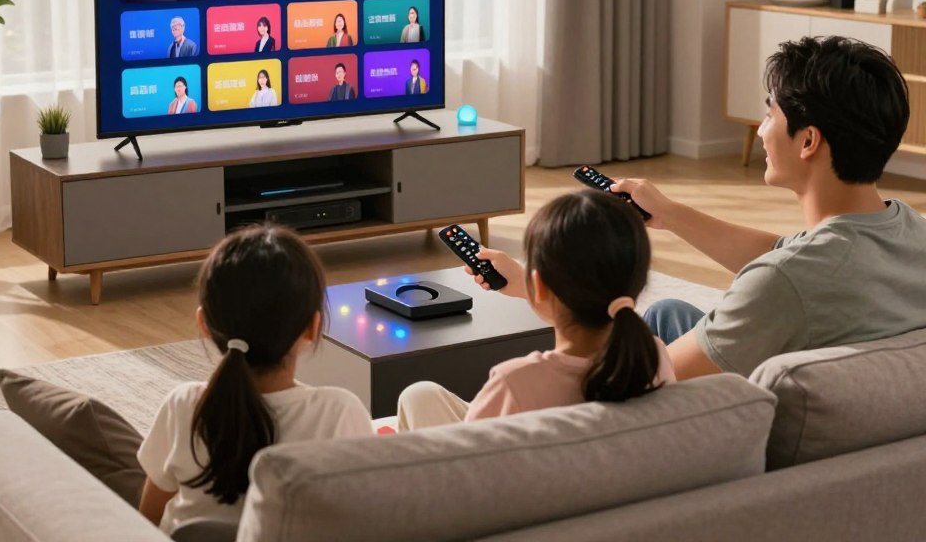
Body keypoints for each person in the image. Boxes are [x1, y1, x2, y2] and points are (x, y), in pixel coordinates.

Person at [605, 35, 926, 381]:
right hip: (860, 395)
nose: (760, 130)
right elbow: (783, 254)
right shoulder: (911, 230)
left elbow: (648, 381)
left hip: (759, 405)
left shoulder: (781, 284)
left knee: (637, 344)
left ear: (808, 141)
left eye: (770, 113)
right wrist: (668, 213)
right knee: (669, 312)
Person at [137, 225, 374, 535]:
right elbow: (368, 518)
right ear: (313, 327)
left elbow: (146, 519)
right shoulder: (338, 412)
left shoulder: (184, 405)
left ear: (203, 323)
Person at [397, 190, 675, 430]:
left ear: (539, 284)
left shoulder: (515, 384)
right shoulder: (654, 356)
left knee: (418, 396)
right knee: (423, 395)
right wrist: (526, 285)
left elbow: (470, 462)